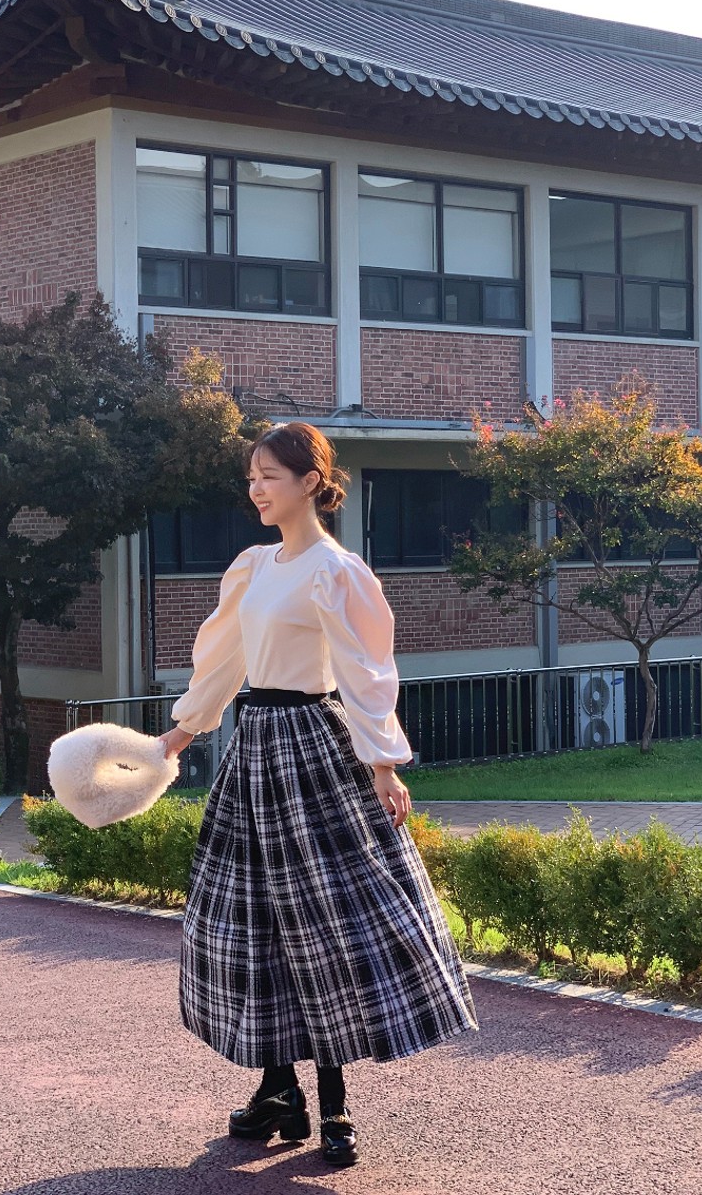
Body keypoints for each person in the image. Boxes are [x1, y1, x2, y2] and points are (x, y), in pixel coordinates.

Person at [160, 422, 477, 1168]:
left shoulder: (335, 571)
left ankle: (334, 1105)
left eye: (269, 476)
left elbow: (367, 670)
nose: (256, 489)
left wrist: (384, 763)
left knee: (326, 924)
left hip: (314, 748)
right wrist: (182, 732)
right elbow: (224, 660)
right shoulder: (252, 567)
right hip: (254, 750)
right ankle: (279, 1091)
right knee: (249, 922)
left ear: (310, 482)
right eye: (251, 477)